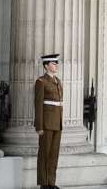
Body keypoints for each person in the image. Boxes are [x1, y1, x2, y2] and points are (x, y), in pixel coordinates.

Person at [35, 53, 63, 189]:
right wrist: (39, 126)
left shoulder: (57, 81)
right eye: (53, 63)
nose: (56, 65)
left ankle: (51, 182)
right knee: (44, 154)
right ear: (46, 66)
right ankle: (44, 184)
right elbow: (38, 104)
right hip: (46, 123)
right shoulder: (41, 81)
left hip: (57, 123)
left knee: (54, 154)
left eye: (56, 63)